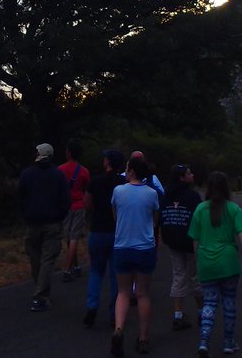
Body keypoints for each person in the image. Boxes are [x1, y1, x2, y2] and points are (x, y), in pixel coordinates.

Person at [188, 171, 242, 357]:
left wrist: (198, 259)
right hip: (228, 261)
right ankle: (228, 342)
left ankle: (204, 342)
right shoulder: (234, 209)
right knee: (229, 301)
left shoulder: (200, 209)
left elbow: (195, 239)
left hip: (206, 261)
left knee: (209, 302)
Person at [110, 155, 161, 356]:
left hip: (122, 246)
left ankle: (118, 329)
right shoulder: (152, 194)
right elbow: (155, 220)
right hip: (144, 248)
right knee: (142, 293)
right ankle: (143, 338)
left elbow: (115, 216)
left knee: (123, 292)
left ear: (131, 171)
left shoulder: (118, 191)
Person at [18, 142, 70, 312]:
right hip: (52, 223)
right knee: (48, 259)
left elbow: (20, 197)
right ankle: (41, 295)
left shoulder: (27, 174)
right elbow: (65, 199)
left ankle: (40, 289)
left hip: (32, 222)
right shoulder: (58, 175)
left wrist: (25, 214)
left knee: (35, 258)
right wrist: (60, 216)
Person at [82, 148, 126, 328]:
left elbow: (86, 204)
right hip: (118, 232)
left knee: (96, 271)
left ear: (107, 162)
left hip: (98, 230)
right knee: (116, 275)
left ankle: (92, 306)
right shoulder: (123, 183)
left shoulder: (95, 181)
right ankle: (114, 313)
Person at [160, 164, 203, 331]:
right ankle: (202, 312)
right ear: (182, 177)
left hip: (173, 239)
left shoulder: (166, 195)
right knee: (196, 276)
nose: (192, 175)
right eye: (189, 173)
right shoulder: (193, 196)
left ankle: (178, 314)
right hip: (190, 240)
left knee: (178, 275)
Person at [59, 141, 92, 281]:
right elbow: (87, 188)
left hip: (65, 206)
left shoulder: (60, 169)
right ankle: (75, 266)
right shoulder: (84, 171)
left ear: (69, 153)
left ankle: (67, 269)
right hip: (79, 205)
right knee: (74, 237)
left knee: (69, 238)